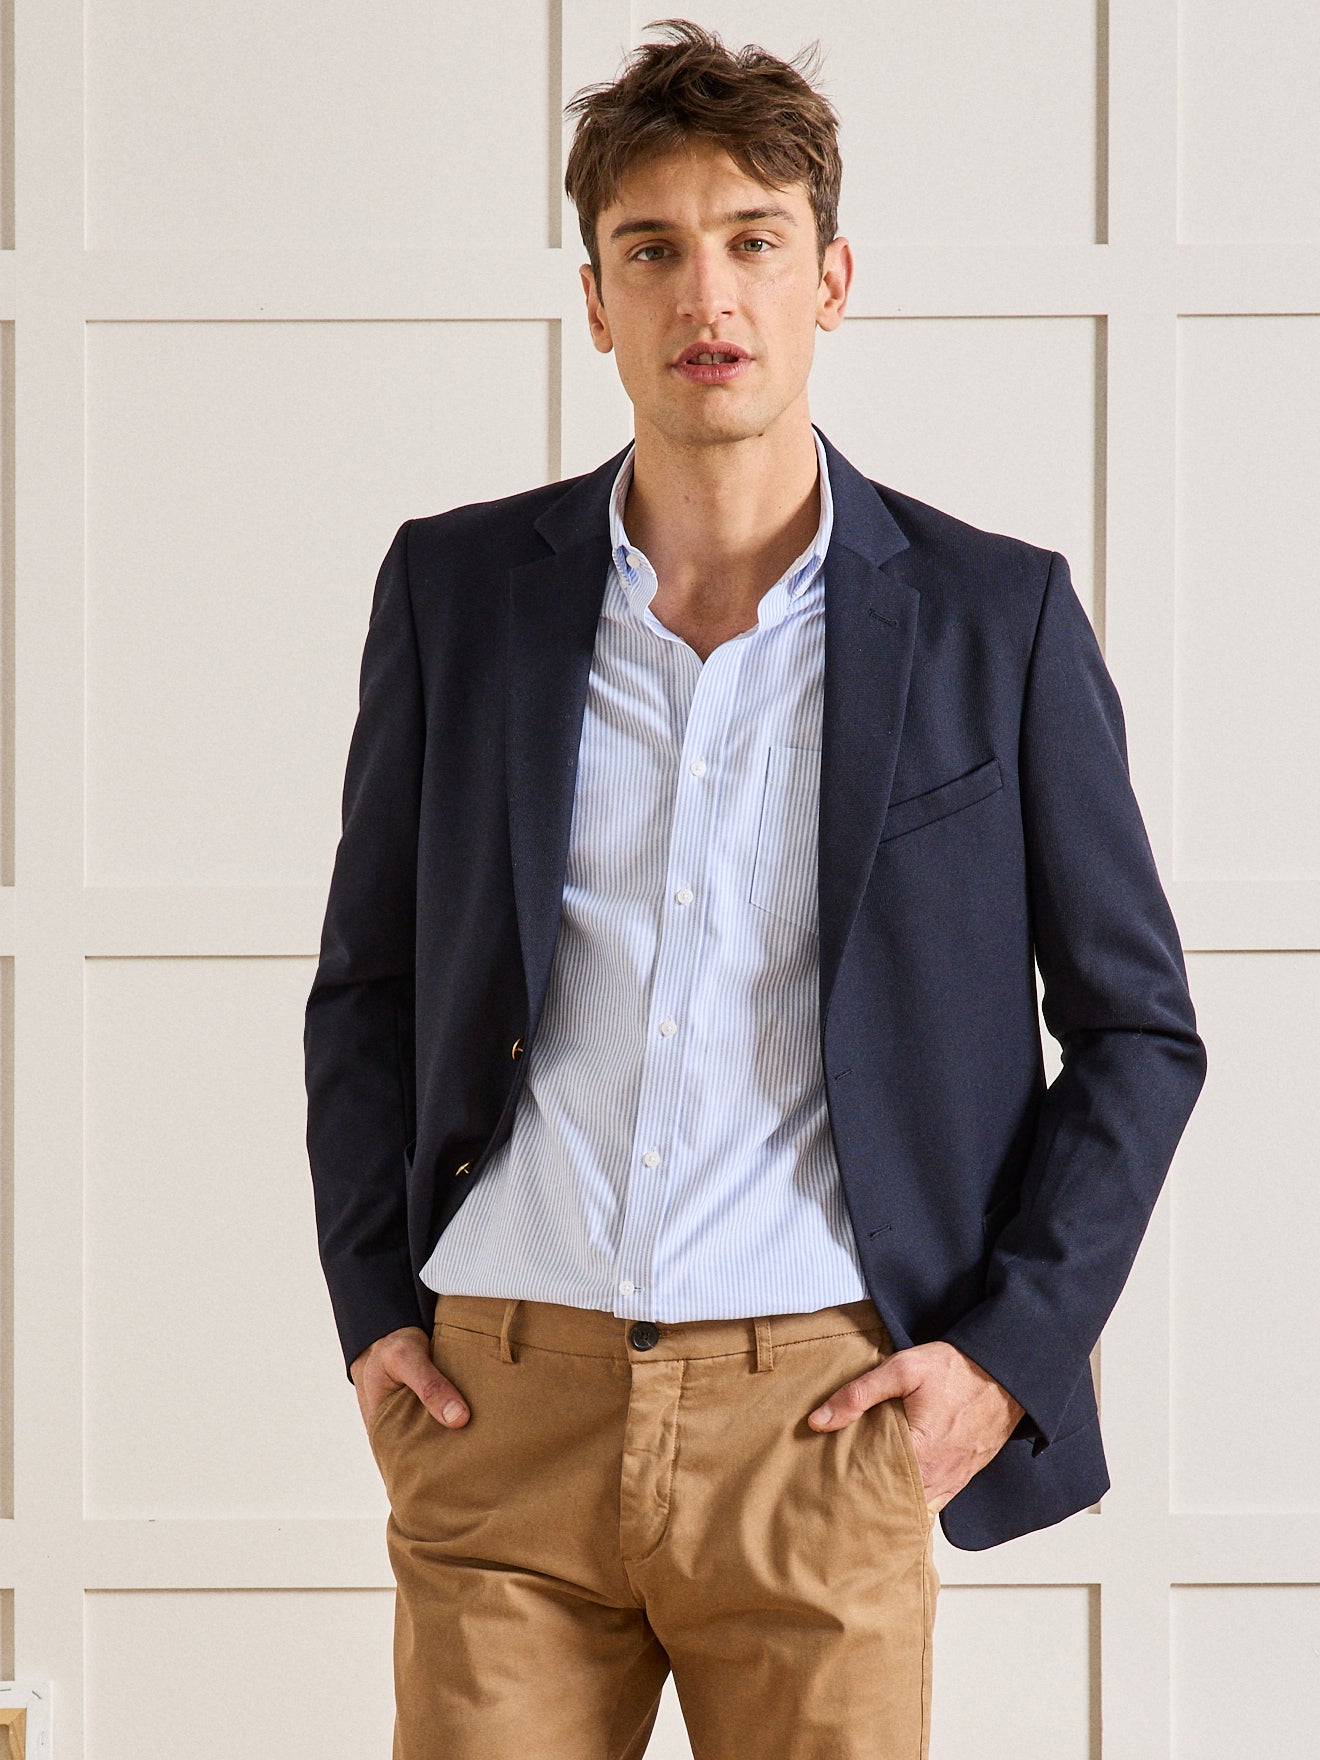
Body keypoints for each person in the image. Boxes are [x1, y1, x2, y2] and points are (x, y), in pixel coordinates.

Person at [303, 19, 1207, 1759]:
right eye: (651, 249)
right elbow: (367, 991)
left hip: (820, 1417)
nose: (704, 293)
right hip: (504, 1404)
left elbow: (1139, 1032)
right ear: (596, 302)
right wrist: (372, 1317)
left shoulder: (992, 617)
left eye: (752, 241)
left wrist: (1006, 1354)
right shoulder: (457, 593)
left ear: (829, 281)